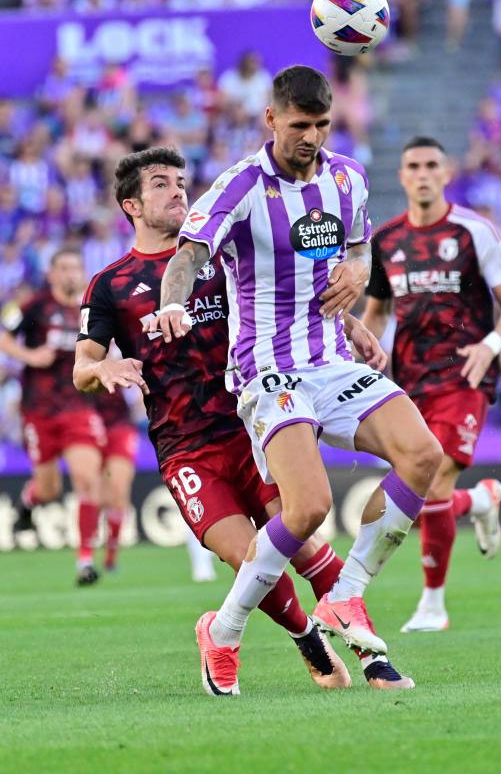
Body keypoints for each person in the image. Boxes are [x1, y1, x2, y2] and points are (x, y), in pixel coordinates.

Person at [150, 67, 443, 695]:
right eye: (299, 125)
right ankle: (223, 630)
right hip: (267, 370)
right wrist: (173, 303)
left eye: (321, 125)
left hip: (332, 359)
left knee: (424, 454)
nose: (311, 136)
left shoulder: (349, 178)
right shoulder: (241, 186)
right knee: (308, 508)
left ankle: (346, 595)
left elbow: (359, 249)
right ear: (271, 120)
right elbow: (189, 256)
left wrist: (359, 282)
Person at [73, 147, 409, 695]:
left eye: (181, 181)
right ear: (131, 204)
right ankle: (306, 636)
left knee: (305, 546)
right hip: (186, 449)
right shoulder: (111, 284)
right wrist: (104, 365)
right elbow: (80, 369)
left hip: (254, 425)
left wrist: (346, 323)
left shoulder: (223, 255)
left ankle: (373, 660)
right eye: (160, 184)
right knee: (245, 554)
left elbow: (283, 302)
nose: (178, 190)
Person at [362, 136, 501, 632]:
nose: (423, 173)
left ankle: (433, 604)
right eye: (413, 165)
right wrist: (361, 353)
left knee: (434, 480)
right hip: (409, 379)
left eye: (433, 164)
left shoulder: (474, 230)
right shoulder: (386, 240)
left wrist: (490, 346)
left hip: (464, 375)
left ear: (447, 171)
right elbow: (377, 311)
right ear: (402, 176)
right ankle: (479, 501)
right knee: (419, 490)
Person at [0, 247, 106, 585]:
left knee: (88, 479)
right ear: (52, 274)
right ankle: (29, 502)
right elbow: (3, 333)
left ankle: (85, 562)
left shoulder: (91, 310)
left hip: (78, 407)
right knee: (48, 488)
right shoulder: (35, 306)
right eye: (64, 268)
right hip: (39, 410)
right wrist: (29, 356)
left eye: (76, 267)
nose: (72, 274)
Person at [94, 385, 139, 571]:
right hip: (91, 426)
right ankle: (87, 556)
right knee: (100, 496)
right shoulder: (79, 358)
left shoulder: (124, 358)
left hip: (121, 427)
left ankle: (111, 557)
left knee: (119, 492)